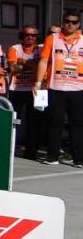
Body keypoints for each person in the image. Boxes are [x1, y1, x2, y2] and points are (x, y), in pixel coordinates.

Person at [37, 10, 83, 167]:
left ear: (78, 24)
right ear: (63, 22)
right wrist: (38, 83)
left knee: (78, 124)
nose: (70, 24)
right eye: (67, 21)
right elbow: (43, 61)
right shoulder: (53, 38)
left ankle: (78, 159)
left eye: (74, 22)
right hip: (56, 87)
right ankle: (52, 157)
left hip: (78, 89)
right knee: (54, 123)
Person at [7, 24, 44, 160]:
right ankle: (10, 148)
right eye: (27, 35)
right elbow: (13, 67)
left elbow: (42, 67)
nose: (30, 37)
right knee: (13, 120)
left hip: (36, 90)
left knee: (35, 122)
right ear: (22, 36)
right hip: (16, 89)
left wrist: (24, 62)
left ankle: (31, 152)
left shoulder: (41, 49)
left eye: (33, 35)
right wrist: (33, 65)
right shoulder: (14, 48)